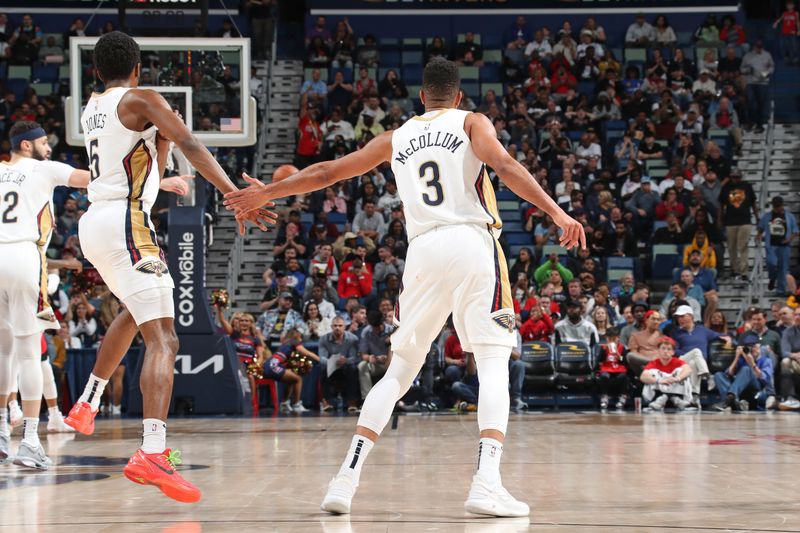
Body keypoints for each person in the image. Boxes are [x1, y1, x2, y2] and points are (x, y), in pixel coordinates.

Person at [224, 57, 585, 517]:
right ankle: (487, 482)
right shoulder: (473, 122)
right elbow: (505, 165)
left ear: (421, 98)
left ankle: (344, 479)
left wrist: (267, 193)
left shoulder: (397, 137)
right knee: (493, 360)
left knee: (400, 370)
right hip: (472, 242)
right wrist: (557, 212)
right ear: (457, 96)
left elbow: (327, 172)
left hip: (422, 253)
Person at [63, 32, 273, 502]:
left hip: (97, 222)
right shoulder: (143, 98)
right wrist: (233, 196)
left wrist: (161, 158)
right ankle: (153, 451)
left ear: (96, 71)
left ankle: (87, 401)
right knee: (165, 338)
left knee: (135, 315)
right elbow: (194, 145)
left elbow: (141, 163)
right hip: (125, 222)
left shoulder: (93, 106)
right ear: (137, 68)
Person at [0, 121, 92, 468]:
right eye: (42, 142)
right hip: (25, 256)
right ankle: (30, 440)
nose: (49, 147)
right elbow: (93, 180)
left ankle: (0, 432)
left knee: (3, 349)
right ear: (26, 146)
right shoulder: (43, 169)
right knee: (29, 354)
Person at [264, 328, 320, 414]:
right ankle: (296, 404)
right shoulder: (294, 341)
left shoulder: (285, 344)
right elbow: (306, 353)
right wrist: (320, 360)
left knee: (291, 379)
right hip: (273, 365)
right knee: (298, 379)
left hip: (269, 365)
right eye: (300, 335)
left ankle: (284, 403)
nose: (301, 337)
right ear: (296, 335)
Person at [712, 333, 773, 411]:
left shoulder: (766, 360)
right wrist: (736, 357)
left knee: (746, 369)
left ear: (759, 347)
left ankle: (729, 399)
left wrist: (753, 364)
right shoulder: (741, 358)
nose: (751, 349)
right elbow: (729, 373)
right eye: (749, 347)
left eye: (753, 346)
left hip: (755, 387)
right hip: (739, 387)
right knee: (718, 375)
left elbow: (764, 379)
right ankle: (732, 401)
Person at [718, 167, 758, 281]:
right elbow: (721, 205)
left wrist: (757, 217)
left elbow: (753, 203)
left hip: (745, 220)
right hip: (730, 221)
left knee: (743, 246)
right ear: (730, 177)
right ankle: (734, 270)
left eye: (737, 177)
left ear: (741, 177)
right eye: (733, 177)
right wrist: (719, 220)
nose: (735, 179)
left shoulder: (747, 186)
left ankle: (744, 271)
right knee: (731, 247)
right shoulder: (726, 187)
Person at [319, 316, 361, 413]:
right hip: (331, 367)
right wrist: (331, 361)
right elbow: (322, 358)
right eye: (335, 326)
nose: (337, 328)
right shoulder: (323, 339)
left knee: (353, 369)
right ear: (331, 327)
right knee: (322, 369)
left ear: (344, 327)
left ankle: (352, 402)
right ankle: (327, 402)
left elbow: (354, 358)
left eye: (340, 325)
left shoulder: (352, 339)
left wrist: (346, 360)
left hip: (346, 366)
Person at [758, 196, 798, 296]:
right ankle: (772, 277)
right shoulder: (767, 216)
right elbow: (761, 227)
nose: (777, 209)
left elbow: (795, 231)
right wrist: (759, 235)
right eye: (775, 207)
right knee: (771, 264)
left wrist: (788, 239)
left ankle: (780, 291)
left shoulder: (789, 217)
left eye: (778, 206)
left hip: (784, 246)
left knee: (783, 268)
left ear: (782, 205)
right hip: (771, 245)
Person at [640, 337, 693, 411]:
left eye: (668, 349)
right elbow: (643, 376)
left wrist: (677, 378)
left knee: (681, 371)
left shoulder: (677, 361)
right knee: (652, 373)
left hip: (676, 387)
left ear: (673, 352)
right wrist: (660, 381)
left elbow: (688, 370)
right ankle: (665, 399)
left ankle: (675, 399)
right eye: (663, 348)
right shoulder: (654, 362)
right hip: (659, 391)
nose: (665, 351)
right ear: (658, 350)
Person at [740, 41, 774, 133]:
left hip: (762, 83)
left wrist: (767, 72)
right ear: (754, 47)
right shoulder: (748, 56)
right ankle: (751, 122)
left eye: (760, 47)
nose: (759, 48)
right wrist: (748, 70)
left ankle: (759, 125)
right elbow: (742, 68)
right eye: (757, 47)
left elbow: (772, 67)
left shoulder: (767, 55)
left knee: (761, 104)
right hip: (751, 82)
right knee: (750, 102)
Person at [596, 327, 628, 410]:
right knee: (604, 376)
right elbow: (598, 360)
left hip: (619, 368)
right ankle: (604, 396)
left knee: (623, 377)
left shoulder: (622, 347)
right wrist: (604, 355)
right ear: (606, 338)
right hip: (607, 367)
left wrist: (619, 356)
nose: (612, 341)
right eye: (610, 339)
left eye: (614, 338)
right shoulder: (604, 347)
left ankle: (623, 396)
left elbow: (625, 362)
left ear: (618, 338)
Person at [778, 307, 800, 410]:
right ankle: (790, 398)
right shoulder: (788, 331)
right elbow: (784, 352)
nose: (797, 317)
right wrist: (795, 356)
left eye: (799, 315)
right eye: (796, 315)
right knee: (785, 362)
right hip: (796, 361)